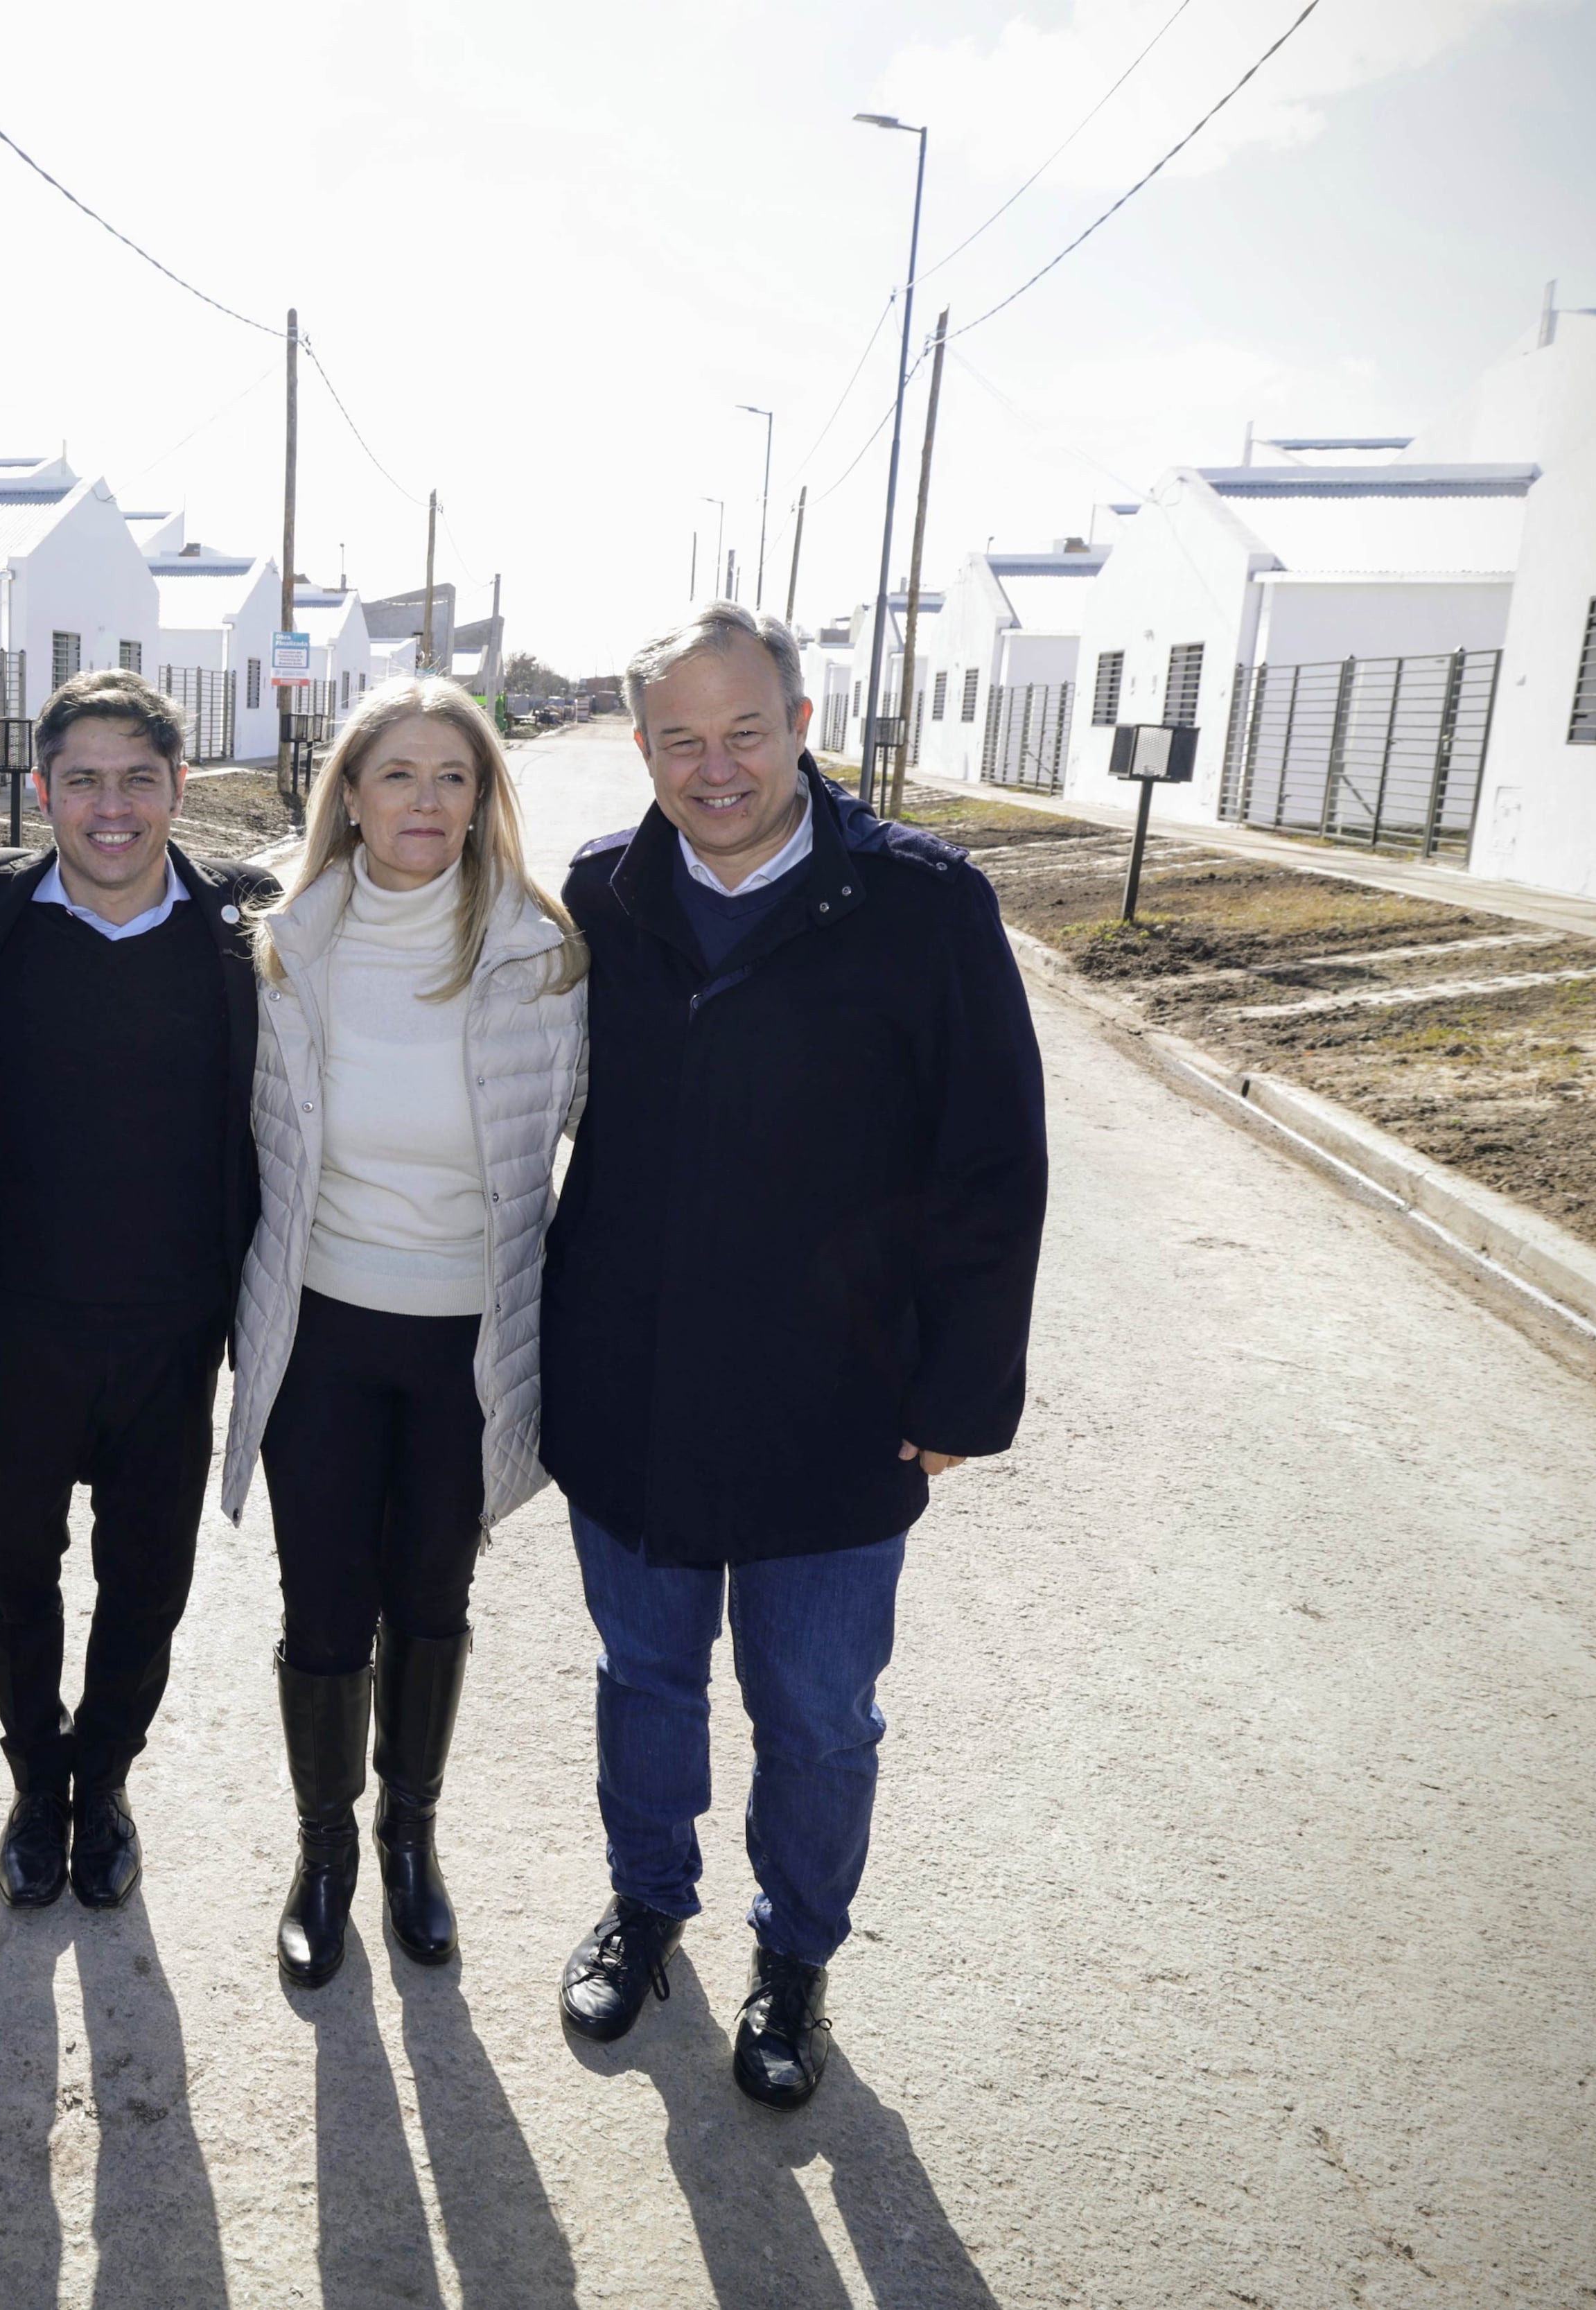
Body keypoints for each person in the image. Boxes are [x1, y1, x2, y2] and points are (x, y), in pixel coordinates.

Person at [541, 604, 1047, 2110]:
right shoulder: (601, 895)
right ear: (642, 748)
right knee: (644, 1675)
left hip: (837, 1401)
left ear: (802, 723)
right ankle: (647, 1903)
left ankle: (796, 1954)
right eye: (680, 740)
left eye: (744, 731)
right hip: (632, 1386)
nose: (716, 768)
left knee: (818, 1714)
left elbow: (993, 1161)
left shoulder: (922, 903)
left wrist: (959, 1391)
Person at [219, 674, 586, 1988]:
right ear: (352, 796)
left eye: (452, 776)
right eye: (397, 774)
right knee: (322, 1604)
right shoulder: (282, 945)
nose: (425, 801)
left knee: (432, 1599)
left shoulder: (546, 955)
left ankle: (408, 1837)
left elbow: (608, 1142)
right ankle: (324, 1851)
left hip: (468, 1345)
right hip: (319, 1331)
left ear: (483, 798)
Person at [0, 668, 278, 1912]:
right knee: (17, 1564)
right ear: (43, 787)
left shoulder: (244, 930)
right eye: (83, 780)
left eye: (138, 779)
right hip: (19, 1322)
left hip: (174, 1328)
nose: (112, 807)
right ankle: (33, 1781)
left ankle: (103, 1779)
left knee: (148, 1573)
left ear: (180, 785)